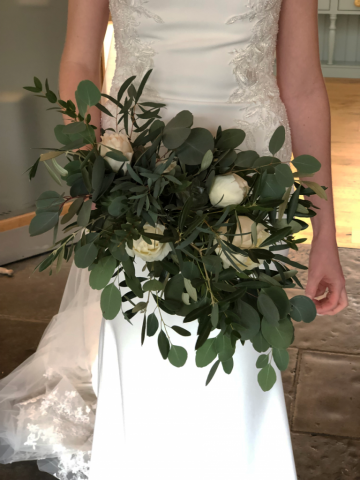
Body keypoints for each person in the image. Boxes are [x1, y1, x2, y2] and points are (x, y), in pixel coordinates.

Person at [0, 0, 348, 479]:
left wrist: (324, 233)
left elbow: (304, 85)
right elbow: (79, 60)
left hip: (250, 174)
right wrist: (90, 173)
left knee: (238, 358)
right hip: (136, 171)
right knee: (145, 353)